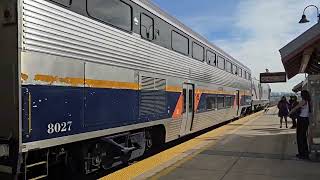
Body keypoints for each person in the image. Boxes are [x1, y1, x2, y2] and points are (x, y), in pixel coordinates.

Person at [289, 90, 311, 159]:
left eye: (301, 94)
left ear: (303, 95)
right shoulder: (308, 101)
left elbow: (296, 107)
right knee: (303, 137)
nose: (300, 95)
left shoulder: (303, 101)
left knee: (300, 137)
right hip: (305, 120)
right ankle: (304, 153)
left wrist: (290, 113)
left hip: (302, 120)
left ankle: (302, 154)